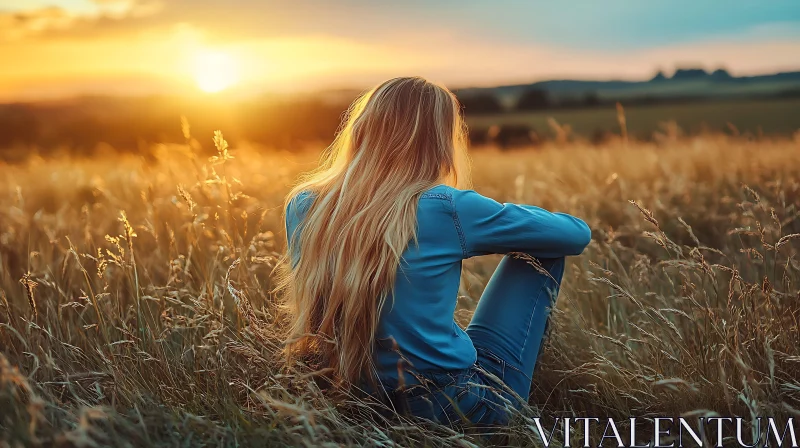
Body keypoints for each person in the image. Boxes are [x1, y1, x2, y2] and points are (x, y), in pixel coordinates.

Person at [277, 76, 591, 426]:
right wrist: (511, 219)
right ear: (437, 140)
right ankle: (516, 412)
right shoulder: (444, 207)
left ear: (363, 130)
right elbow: (575, 234)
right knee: (544, 251)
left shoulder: (304, 205)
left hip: (350, 401)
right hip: (455, 409)